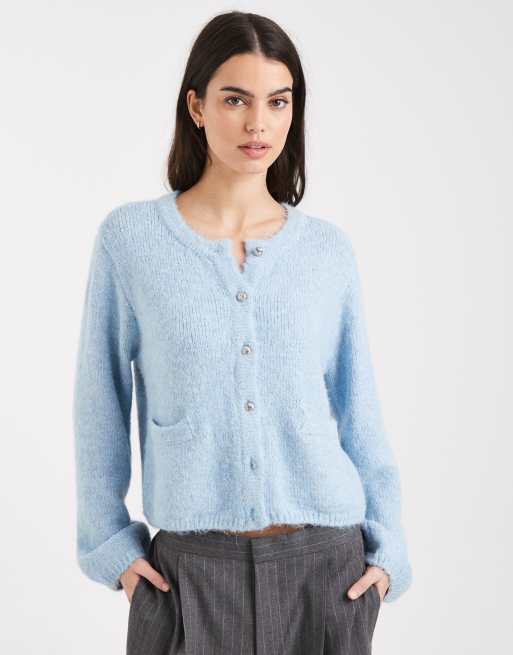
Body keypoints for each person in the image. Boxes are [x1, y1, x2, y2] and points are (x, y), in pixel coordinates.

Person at [72, 10, 412, 654]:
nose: (258, 123)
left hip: (329, 573)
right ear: (196, 107)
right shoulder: (131, 241)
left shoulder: (326, 253)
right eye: (235, 100)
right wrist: (110, 545)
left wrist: (387, 551)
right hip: (188, 577)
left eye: (278, 102)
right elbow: (100, 400)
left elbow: (360, 408)